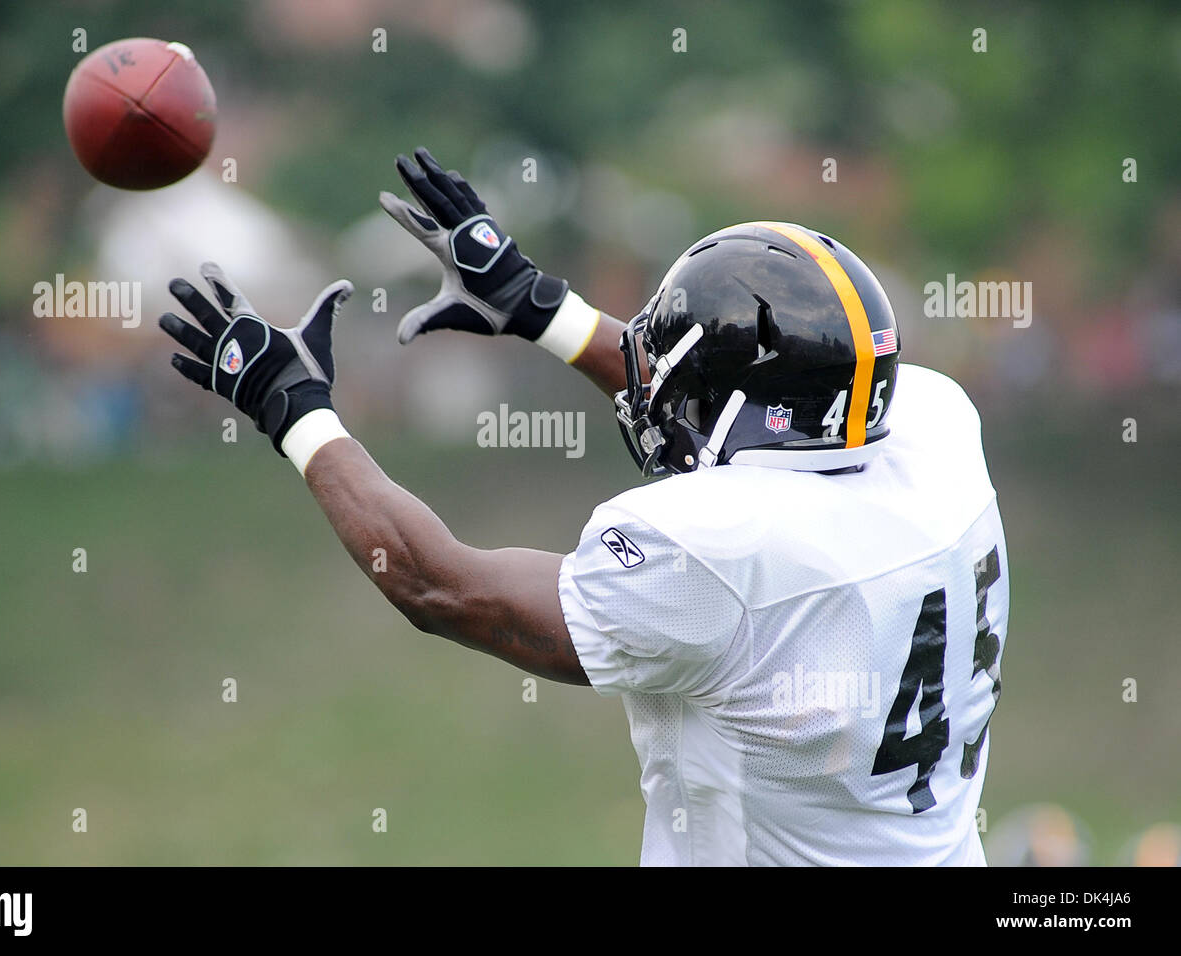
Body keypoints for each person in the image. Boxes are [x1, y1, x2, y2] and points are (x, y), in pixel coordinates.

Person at [157, 147, 1009, 866]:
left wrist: (296, 411)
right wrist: (540, 305)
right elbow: (735, 402)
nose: (661, 404)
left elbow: (438, 586)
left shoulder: (717, 553)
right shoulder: (935, 432)